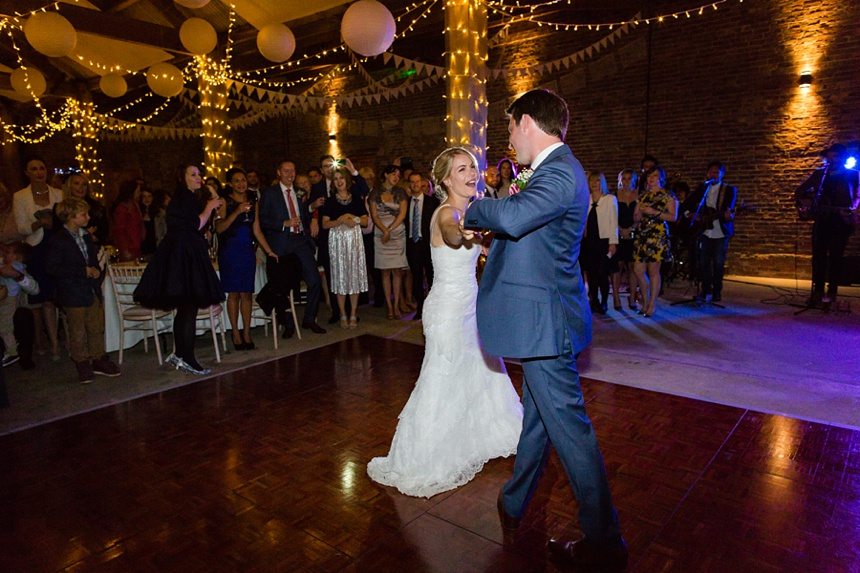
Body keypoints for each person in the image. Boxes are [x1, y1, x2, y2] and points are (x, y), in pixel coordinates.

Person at [464, 89, 627, 570]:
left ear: (528, 123)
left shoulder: (559, 172)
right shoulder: (553, 172)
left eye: (512, 128)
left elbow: (513, 217)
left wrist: (469, 207)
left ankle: (605, 544)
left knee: (572, 434)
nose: (511, 139)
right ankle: (516, 499)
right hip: (541, 323)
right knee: (539, 421)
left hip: (546, 326)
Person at [367, 146, 522, 498]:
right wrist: (467, 235)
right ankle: (423, 457)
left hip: (471, 307)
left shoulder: (472, 210)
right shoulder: (447, 214)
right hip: (448, 312)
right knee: (442, 379)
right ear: (446, 180)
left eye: (473, 167)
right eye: (461, 169)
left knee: (482, 371)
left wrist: (483, 243)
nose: (471, 174)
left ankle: (479, 437)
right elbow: (452, 233)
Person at [134, 163, 225, 375]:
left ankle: (181, 355)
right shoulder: (183, 198)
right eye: (193, 174)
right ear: (182, 177)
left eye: (199, 174)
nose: (198, 178)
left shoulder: (187, 197)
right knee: (188, 307)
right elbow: (195, 224)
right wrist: (210, 207)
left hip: (186, 252)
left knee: (187, 308)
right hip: (183, 255)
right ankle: (187, 357)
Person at [46, 198, 121, 384]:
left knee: (96, 326)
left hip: (89, 288)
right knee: (77, 329)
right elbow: (52, 267)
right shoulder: (58, 240)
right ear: (70, 217)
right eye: (83, 214)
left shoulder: (85, 236)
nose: (88, 217)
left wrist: (95, 270)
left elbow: (91, 258)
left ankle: (98, 357)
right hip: (72, 290)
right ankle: (81, 361)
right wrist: (82, 271)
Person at [258, 160, 327, 334]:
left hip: (301, 241)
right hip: (281, 242)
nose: (291, 174)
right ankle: (287, 321)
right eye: (287, 171)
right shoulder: (270, 193)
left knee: (314, 280)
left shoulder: (299, 192)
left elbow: (304, 212)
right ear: (279, 173)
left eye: (293, 171)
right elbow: (263, 221)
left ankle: (309, 319)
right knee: (282, 285)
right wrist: (284, 223)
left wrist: (311, 217)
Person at [794, 143, 860, 308]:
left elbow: (857, 195)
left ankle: (832, 292)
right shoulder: (820, 174)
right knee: (818, 257)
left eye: (836, 155)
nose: (833, 158)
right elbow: (800, 191)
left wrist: (852, 207)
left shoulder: (853, 174)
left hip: (840, 220)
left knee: (836, 257)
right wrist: (806, 204)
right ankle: (817, 292)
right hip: (822, 219)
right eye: (830, 155)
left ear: (842, 157)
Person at [215, 167, 274, 350]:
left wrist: (269, 250)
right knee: (233, 294)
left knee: (247, 293)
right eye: (237, 181)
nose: (241, 184)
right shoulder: (224, 202)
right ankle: (235, 332)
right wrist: (237, 212)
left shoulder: (253, 200)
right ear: (230, 184)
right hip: (229, 251)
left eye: (243, 180)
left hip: (246, 251)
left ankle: (247, 332)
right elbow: (219, 228)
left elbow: (256, 229)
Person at [13, 157, 63, 362]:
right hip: (37, 247)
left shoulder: (58, 193)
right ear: (27, 172)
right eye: (34, 169)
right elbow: (21, 228)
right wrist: (39, 223)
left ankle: (56, 342)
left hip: (56, 245)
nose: (39, 172)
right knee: (40, 298)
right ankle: (46, 342)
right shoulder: (20, 196)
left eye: (42, 168)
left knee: (54, 297)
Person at [320, 160, 369, 328]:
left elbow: (365, 220)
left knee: (354, 277)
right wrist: (339, 220)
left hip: (354, 240)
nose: (339, 181)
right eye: (336, 179)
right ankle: (342, 314)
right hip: (337, 241)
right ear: (333, 183)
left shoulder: (356, 198)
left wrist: (352, 218)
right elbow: (325, 224)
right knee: (340, 278)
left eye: (341, 178)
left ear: (347, 180)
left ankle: (354, 313)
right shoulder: (330, 201)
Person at [688, 161, 738, 303]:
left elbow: (728, 209)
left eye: (716, 172)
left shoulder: (729, 189)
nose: (713, 174)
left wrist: (729, 214)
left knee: (718, 262)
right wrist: (689, 214)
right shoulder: (702, 188)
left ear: (722, 174)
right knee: (703, 262)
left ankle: (717, 291)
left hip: (720, 230)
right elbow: (689, 203)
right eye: (711, 172)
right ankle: (705, 290)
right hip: (704, 230)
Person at [633, 167, 678, 317]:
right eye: (649, 176)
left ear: (661, 178)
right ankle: (645, 302)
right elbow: (636, 219)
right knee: (638, 270)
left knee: (653, 271)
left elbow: (673, 217)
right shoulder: (643, 196)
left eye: (655, 176)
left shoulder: (668, 196)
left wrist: (654, 212)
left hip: (657, 236)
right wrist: (638, 211)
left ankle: (652, 304)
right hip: (642, 235)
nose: (651, 178)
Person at [369, 165, 408, 319]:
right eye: (393, 174)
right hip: (381, 233)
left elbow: (402, 214)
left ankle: (397, 304)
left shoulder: (401, 192)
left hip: (397, 233)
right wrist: (384, 231)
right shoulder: (375, 193)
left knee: (397, 271)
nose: (396, 177)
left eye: (398, 175)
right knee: (385, 272)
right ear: (385, 175)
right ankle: (389, 306)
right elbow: (374, 215)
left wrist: (389, 230)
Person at [580, 172, 619, 314]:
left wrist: (613, 242)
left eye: (597, 181)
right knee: (591, 273)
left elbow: (613, 222)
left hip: (603, 241)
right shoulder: (586, 199)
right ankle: (593, 300)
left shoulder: (610, 199)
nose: (594, 183)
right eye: (592, 181)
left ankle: (604, 301)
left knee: (602, 273)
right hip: (589, 242)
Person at [405, 171, 441, 320]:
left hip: (428, 244)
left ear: (422, 183)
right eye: (412, 182)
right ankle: (420, 308)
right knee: (417, 278)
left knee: (432, 277)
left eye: (418, 181)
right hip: (413, 244)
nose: (415, 184)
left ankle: (434, 308)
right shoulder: (405, 203)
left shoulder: (432, 202)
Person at [612, 169, 640, 310]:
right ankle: (616, 298)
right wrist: (619, 229)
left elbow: (641, 216)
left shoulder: (639, 195)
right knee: (617, 266)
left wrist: (631, 229)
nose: (627, 181)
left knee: (633, 267)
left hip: (634, 234)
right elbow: (610, 216)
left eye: (630, 178)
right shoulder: (614, 196)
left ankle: (632, 297)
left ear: (634, 180)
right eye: (624, 178)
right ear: (620, 180)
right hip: (617, 233)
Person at [63, 173, 108, 246]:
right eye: (76, 183)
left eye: (84, 184)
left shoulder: (97, 208)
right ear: (69, 186)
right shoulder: (62, 208)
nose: (81, 187)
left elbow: (104, 233)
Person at [111, 179, 144, 262]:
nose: (140, 194)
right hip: (128, 248)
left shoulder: (135, 206)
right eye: (138, 191)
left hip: (136, 245)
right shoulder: (122, 209)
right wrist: (125, 250)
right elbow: (119, 231)